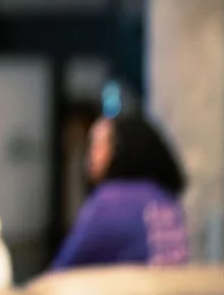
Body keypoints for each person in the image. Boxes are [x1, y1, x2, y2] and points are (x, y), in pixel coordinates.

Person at [52, 114, 188, 269]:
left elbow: (62, 269)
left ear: (122, 148)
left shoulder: (109, 202)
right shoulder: (166, 198)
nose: (90, 154)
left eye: (99, 144)